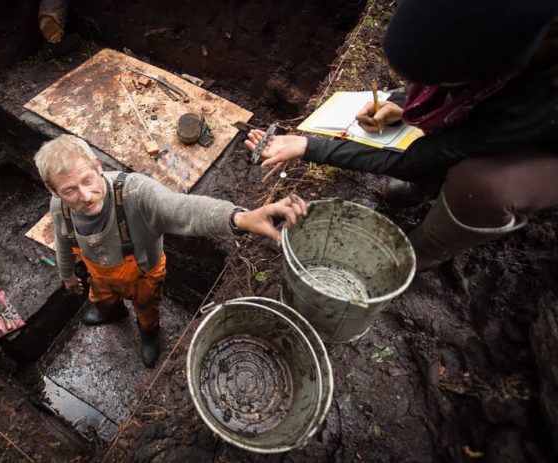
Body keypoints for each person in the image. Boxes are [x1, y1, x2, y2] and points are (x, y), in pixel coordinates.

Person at [246, 0, 558, 271]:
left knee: (479, 185)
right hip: (499, 109)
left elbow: (422, 157)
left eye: (435, 80)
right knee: (439, 127)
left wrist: (308, 146)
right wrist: (399, 103)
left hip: (546, 144)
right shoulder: (496, 34)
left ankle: (419, 255)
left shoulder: (534, 97)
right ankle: (428, 187)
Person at [34, 134, 307, 367]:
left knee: (146, 308)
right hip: (100, 275)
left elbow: (181, 209)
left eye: (88, 180)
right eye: (70, 190)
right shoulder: (59, 208)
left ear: (97, 165)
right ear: (53, 190)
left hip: (143, 274)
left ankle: (150, 335)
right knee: (102, 297)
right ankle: (111, 312)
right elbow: (63, 242)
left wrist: (240, 218)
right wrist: (67, 275)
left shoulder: (135, 194)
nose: (85, 195)